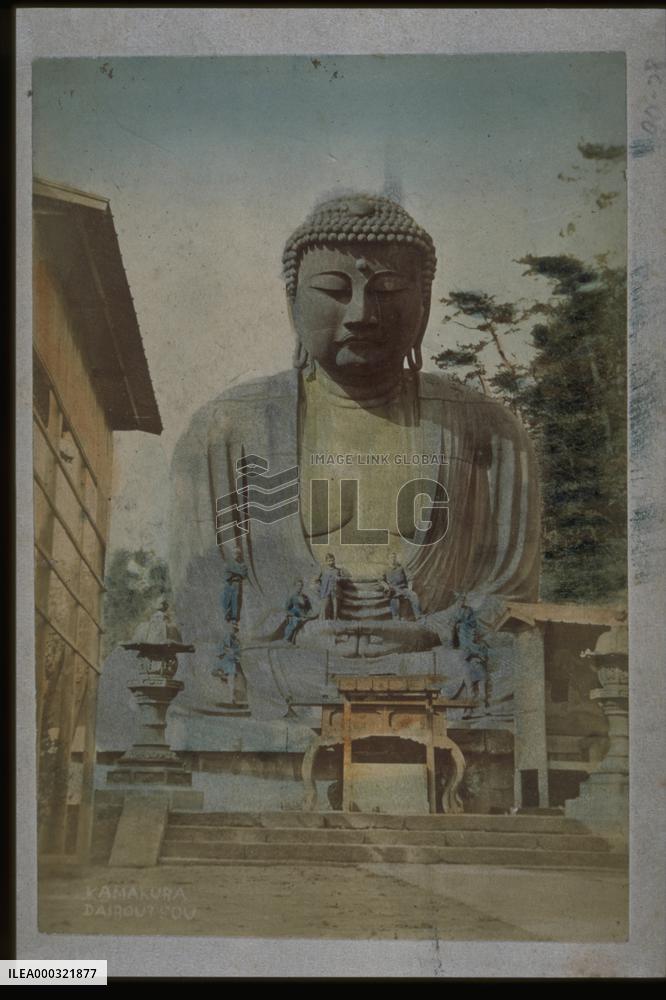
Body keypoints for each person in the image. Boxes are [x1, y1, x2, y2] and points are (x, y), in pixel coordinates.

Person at [169, 194, 540, 663]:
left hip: (432, 658)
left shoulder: (490, 430)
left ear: (424, 304)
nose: (362, 314)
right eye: (333, 290)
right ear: (292, 303)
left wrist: (433, 631)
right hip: (284, 664)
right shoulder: (225, 428)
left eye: (388, 289)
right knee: (200, 674)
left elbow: (509, 592)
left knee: (513, 671)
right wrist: (291, 633)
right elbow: (200, 592)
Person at [382, 552, 422, 621]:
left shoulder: (402, 567)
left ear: (396, 558)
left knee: (413, 595)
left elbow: (410, 578)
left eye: (394, 557)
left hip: (403, 588)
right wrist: (386, 586)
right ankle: (396, 618)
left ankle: (418, 616)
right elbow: (381, 580)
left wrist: (410, 588)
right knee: (394, 599)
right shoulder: (385, 569)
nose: (393, 559)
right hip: (393, 589)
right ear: (388, 559)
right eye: (391, 558)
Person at [221, 544, 247, 624]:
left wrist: (236, 573)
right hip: (228, 584)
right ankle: (227, 615)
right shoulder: (229, 563)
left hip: (236, 585)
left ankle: (234, 618)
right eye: (234, 553)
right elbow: (227, 571)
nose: (236, 555)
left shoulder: (242, 564)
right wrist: (237, 573)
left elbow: (243, 574)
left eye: (237, 553)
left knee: (235, 601)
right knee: (226, 600)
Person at [284, 579, 313, 644]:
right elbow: (287, 608)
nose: (300, 587)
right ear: (295, 586)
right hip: (295, 614)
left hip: (304, 615)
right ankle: (287, 639)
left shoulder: (305, 597)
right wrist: (292, 614)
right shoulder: (292, 596)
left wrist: (309, 613)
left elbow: (309, 607)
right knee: (294, 622)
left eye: (301, 585)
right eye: (298, 585)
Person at [314, 552, 341, 620]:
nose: (331, 562)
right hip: (325, 590)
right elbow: (316, 579)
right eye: (329, 561)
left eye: (332, 560)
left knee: (335, 605)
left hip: (334, 590)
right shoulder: (323, 569)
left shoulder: (337, 570)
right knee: (325, 605)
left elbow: (340, 579)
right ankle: (324, 619)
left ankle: (335, 618)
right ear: (326, 561)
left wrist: (338, 579)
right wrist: (319, 586)